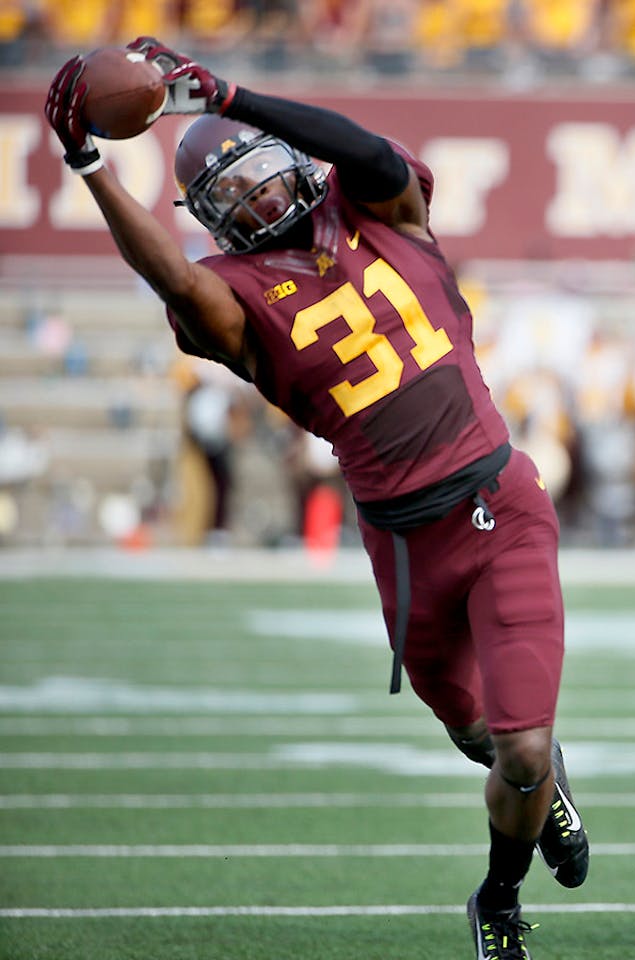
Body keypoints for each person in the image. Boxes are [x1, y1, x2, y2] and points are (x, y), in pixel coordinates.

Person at [45, 38, 588, 960]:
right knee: (471, 730)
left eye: (260, 176)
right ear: (211, 222)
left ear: (293, 160)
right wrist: (90, 165)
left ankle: (498, 895)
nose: (255, 201)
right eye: (231, 199)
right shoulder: (231, 299)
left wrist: (230, 94)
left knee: (522, 748)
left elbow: (369, 151)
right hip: (406, 545)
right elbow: (172, 278)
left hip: (501, 507)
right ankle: (539, 790)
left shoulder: (383, 205)